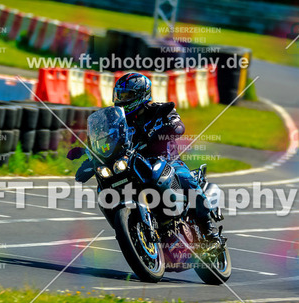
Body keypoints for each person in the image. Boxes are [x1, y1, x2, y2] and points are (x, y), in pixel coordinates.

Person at [68, 72, 221, 249]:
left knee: (186, 179)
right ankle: (137, 228)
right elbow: (107, 141)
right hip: (134, 162)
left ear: (141, 94)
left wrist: (168, 129)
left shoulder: (160, 110)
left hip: (167, 160)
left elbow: (178, 125)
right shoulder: (120, 122)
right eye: (120, 95)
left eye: (127, 95)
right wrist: (90, 153)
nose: (122, 100)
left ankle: (209, 231)